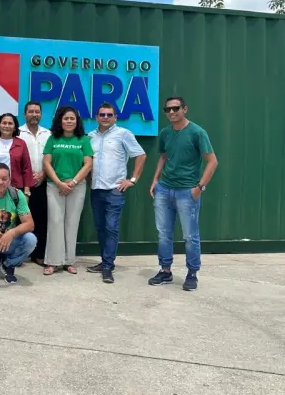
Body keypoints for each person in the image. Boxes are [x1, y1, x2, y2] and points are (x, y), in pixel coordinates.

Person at [149, 96, 218, 291]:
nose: (171, 112)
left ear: (184, 109)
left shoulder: (197, 132)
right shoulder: (165, 133)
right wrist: (155, 180)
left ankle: (192, 273)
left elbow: (212, 161)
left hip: (187, 192)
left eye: (175, 108)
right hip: (164, 189)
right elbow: (164, 157)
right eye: (168, 109)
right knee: (163, 233)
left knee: (190, 236)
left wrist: (200, 187)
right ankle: (165, 271)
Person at [87, 102, 146, 283]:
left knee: (111, 227)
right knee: (100, 227)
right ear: (96, 117)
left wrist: (132, 180)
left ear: (115, 117)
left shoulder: (123, 134)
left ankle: (107, 266)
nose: (105, 117)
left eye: (109, 115)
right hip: (96, 189)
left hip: (115, 190)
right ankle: (105, 261)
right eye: (102, 114)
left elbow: (141, 155)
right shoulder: (90, 136)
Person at [42, 106, 93, 276]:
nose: (69, 121)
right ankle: (53, 261)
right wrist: (59, 183)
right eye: (66, 118)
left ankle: (69, 261)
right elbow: (47, 163)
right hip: (54, 186)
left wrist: (73, 182)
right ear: (60, 120)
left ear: (77, 121)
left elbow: (88, 164)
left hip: (76, 188)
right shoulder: (53, 139)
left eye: (72, 118)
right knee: (55, 222)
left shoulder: (83, 140)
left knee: (72, 223)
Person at [19, 101, 51, 266]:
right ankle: (20, 253)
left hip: (42, 182)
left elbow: (52, 158)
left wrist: (43, 174)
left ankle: (39, 254)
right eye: (30, 111)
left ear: (41, 114)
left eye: (37, 112)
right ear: (25, 114)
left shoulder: (48, 134)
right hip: (22, 184)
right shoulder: (18, 133)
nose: (34, 114)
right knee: (20, 219)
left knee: (41, 218)